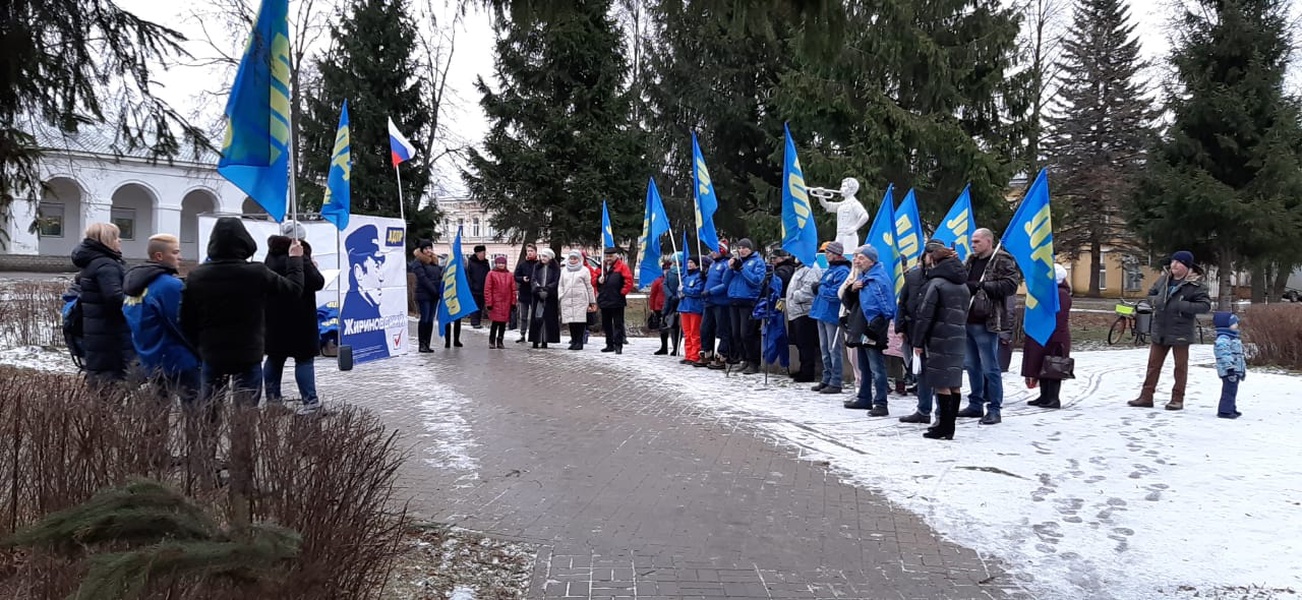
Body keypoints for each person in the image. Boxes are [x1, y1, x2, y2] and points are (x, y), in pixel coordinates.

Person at [181, 217, 303, 406]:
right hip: (247, 353)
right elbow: (293, 290)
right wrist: (295, 260)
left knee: (208, 415)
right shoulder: (256, 273)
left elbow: (186, 320)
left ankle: (206, 437)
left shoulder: (196, 276)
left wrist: (200, 346)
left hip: (212, 353)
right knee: (244, 418)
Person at [1128, 250, 1212, 411]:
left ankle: (1177, 399)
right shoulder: (1163, 280)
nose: (1174, 265)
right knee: (1153, 365)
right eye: (1173, 261)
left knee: (1180, 367)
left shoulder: (1195, 285)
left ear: (1187, 266)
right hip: (1160, 329)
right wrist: (1157, 301)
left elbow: (1205, 305)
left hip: (1181, 331)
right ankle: (1146, 397)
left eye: (1179, 262)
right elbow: (1151, 295)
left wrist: (1181, 305)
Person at [122, 233, 200, 403]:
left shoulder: (135, 286)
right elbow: (183, 323)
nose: (180, 257)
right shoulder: (170, 285)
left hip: (150, 358)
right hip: (179, 359)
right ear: (159, 256)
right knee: (195, 411)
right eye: (175, 252)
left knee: (157, 412)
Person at [960, 227, 1023, 425]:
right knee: (971, 365)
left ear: (988, 241)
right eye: (972, 241)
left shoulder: (1002, 259)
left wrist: (983, 286)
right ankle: (975, 404)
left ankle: (994, 408)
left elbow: (1010, 286)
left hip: (988, 319)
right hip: (968, 318)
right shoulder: (970, 260)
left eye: (977, 241)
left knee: (990, 367)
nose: (973, 244)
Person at [912, 241, 971, 440]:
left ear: (935, 261)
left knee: (941, 384)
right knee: (954, 383)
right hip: (958, 336)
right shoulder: (962, 284)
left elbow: (925, 315)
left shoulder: (936, 284)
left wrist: (918, 342)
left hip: (938, 338)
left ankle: (943, 427)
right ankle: (949, 426)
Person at [263, 224, 326, 412]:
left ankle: (273, 401)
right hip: (300, 317)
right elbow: (317, 282)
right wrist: (313, 267)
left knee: (275, 357)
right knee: (304, 359)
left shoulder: (271, 256)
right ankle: (310, 402)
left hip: (275, 316)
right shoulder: (299, 255)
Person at [72, 222, 136, 388]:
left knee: (100, 378)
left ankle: (99, 412)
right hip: (110, 334)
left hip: (96, 331)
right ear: (107, 240)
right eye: (116, 237)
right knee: (111, 380)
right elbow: (115, 298)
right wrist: (137, 302)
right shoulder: (106, 265)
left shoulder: (92, 262)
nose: (120, 240)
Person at [844, 244, 895, 416]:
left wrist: (876, 327)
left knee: (876, 367)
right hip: (861, 326)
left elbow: (887, 307)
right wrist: (851, 290)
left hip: (873, 327)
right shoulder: (862, 278)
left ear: (872, 261)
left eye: (861, 257)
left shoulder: (877, 280)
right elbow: (850, 304)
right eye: (856, 257)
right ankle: (864, 397)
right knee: (864, 365)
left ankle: (881, 402)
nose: (857, 260)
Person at [340, 225, 397, 360]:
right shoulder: (354, 312)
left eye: (381, 265)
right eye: (376, 266)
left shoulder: (370, 307)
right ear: (358, 272)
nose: (382, 277)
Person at [1023, 264, 1073, 409]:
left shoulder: (1061, 294)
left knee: (1054, 367)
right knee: (1042, 365)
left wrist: (1054, 335)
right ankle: (1044, 396)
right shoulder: (1050, 293)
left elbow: (1059, 317)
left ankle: (1053, 398)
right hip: (1045, 334)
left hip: (1057, 336)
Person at [895, 256, 934, 424]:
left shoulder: (944, 278)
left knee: (938, 374)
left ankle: (942, 413)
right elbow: (903, 301)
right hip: (914, 328)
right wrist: (900, 325)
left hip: (938, 332)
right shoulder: (913, 276)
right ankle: (923, 409)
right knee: (921, 371)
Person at [810, 241, 851, 394]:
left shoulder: (842, 271)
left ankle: (836, 380)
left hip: (831, 314)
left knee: (833, 348)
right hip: (821, 312)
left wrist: (820, 288)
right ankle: (826, 378)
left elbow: (836, 293)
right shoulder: (830, 269)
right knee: (824, 348)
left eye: (828, 253)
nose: (826, 255)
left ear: (835, 254)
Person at [726, 238, 766, 374]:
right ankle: (744, 359)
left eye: (744, 248)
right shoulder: (739, 262)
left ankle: (753, 361)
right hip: (734, 300)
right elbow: (725, 281)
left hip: (748, 301)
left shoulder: (758, 262)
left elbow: (756, 281)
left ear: (750, 249)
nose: (741, 250)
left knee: (746, 333)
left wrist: (742, 269)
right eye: (740, 248)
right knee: (735, 333)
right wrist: (730, 268)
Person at [784, 251, 823, 383]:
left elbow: (809, 290)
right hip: (796, 311)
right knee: (800, 343)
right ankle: (803, 369)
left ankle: (808, 372)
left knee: (806, 344)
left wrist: (795, 296)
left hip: (804, 311)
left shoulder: (811, 269)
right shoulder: (801, 269)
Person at [701, 241, 732, 368]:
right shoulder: (713, 264)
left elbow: (725, 284)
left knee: (722, 329)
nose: (712, 253)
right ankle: (707, 352)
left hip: (721, 302)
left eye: (715, 250)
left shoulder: (726, 265)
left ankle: (722, 354)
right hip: (709, 302)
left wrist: (711, 292)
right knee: (705, 328)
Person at [597, 247, 634, 354]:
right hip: (604, 299)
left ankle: (618, 345)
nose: (608, 258)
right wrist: (598, 280)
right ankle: (609, 344)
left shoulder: (622, 267)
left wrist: (622, 293)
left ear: (615, 256)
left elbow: (629, 281)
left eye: (610, 256)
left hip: (617, 300)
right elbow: (593, 279)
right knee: (606, 324)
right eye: (606, 256)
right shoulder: (601, 267)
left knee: (618, 324)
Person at [559, 250, 597, 350]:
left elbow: (589, 286)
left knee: (579, 322)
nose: (572, 260)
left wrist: (591, 301)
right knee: (571, 321)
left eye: (575, 258)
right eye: (571, 258)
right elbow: (561, 285)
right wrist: (561, 295)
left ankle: (579, 342)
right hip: (567, 299)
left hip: (580, 299)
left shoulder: (584, 270)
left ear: (579, 259)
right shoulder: (564, 270)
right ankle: (573, 340)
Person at [409, 239, 442, 353]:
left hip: (434, 295)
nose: (429, 250)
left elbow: (439, 275)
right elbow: (423, 278)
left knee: (430, 320)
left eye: (430, 248)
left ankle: (427, 343)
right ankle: (421, 344)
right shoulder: (418, 262)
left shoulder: (434, 261)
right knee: (425, 319)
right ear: (422, 250)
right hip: (424, 295)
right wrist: (434, 290)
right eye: (426, 249)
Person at [1212, 312, 1245, 419]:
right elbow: (1223, 355)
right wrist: (1229, 368)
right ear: (1226, 325)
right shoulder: (1223, 339)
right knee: (1228, 390)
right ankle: (1224, 411)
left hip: (1235, 370)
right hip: (1229, 371)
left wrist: (1242, 369)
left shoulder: (1233, 338)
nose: (1237, 325)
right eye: (1234, 323)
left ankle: (1231, 408)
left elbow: (1239, 356)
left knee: (1232, 390)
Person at [529, 248, 561, 348]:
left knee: (547, 319)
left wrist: (548, 289)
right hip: (538, 297)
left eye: (545, 256)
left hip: (549, 297)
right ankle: (535, 339)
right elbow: (533, 279)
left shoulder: (555, 268)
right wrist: (538, 289)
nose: (543, 258)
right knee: (537, 318)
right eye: (542, 256)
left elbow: (556, 281)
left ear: (550, 257)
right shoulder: (537, 267)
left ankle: (545, 340)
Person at [678, 256, 706, 365]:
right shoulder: (685, 276)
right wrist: (680, 292)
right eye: (688, 262)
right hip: (684, 307)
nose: (689, 264)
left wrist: (684, 290)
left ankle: (695, 355)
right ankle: (688, 354)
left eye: (692, 262)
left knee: (694, 332)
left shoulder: (699, 276)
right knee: (687, 333)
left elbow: (697, 291)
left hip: (694, 307)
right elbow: (680, 290)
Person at [483, 256, 516, 349]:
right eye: (499, 263)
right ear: (496, 264)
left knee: (503, 324)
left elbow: (513, 289)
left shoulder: (510, 275)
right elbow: (487, 289)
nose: (501, 265)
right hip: (495, 302)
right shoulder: (491, 274)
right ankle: (492, 341)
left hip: (506, 303)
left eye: (503, 263)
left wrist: (513, 302)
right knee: (495, 323)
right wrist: (489, 303)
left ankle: (500, 340)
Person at [513, 244, 539, 343]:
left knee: (535, 316)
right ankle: (522, 334)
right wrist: (522, 279)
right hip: (524, 293)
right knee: (523, 316)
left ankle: (534, 335)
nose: (529, 253)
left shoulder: (539, 264)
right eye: (528, 251)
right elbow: (516, 276)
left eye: (531, 251)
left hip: (535, 294)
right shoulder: (522, 264)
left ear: (536, 252)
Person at [439, 252, 464, 348]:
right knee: (447, 318)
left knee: (458, 318)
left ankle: (456, 340)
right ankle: (447, 341)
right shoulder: (445, 269)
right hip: (447, 295)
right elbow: (441, 280)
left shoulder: (462, 270)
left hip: (457, 295)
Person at [466, 244, 491, 328]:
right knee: (474, 306)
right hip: (474, 288)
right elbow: (468, 275)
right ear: (478, 253)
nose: (484, 255)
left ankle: (478, 321)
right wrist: (471, 286)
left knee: (480, 306)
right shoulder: (471, 262)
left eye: (484, 253)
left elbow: (488, 274)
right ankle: (474, 322)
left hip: (483, 288)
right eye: (482, 253)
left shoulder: (486, 263)